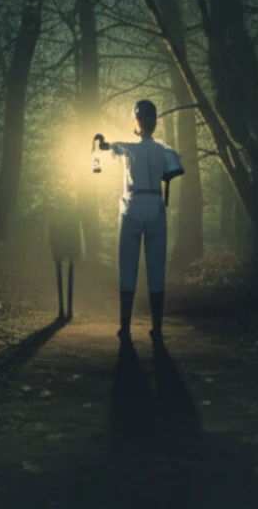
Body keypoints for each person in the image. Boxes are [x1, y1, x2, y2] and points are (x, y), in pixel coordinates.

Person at [98, 100, 184, 342]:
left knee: (129, 265)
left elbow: (108, 146)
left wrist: (103, 145)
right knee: (154, 267)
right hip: (153, 206)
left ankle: (128, 326)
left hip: (133, 207)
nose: (146, 121)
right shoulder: (165, 151)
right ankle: (153, 327)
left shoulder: (128, 148)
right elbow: (173, 169)